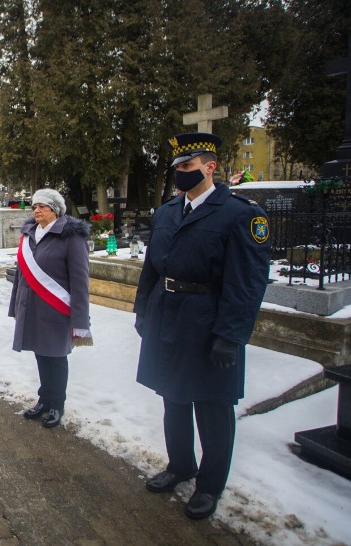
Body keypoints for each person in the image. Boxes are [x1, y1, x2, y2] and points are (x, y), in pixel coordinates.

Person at [134, 132, 270, 520]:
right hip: (167, 315)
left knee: (212, 408)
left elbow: (246, 283)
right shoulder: (167, 212)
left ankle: (210, 485)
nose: (180, 173)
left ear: (210, 168)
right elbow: (152, 269)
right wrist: (143, 310)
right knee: (172, 397)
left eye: (188, 166)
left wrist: (230, 336)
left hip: (208, 321)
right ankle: (180, 465)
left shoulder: (241, 214)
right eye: (176, 167)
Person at [8, 189, 92, 428]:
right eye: (35, 206)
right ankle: (44, 400)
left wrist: (80, 320)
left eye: (42, 206)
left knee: (56, 358)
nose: (37, 210)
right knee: (40, 355)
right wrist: (16, 305)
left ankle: (57, 404)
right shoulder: (29, 234)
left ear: (55, 210)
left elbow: (80, 281)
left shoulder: (71, 238)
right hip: (32, 308)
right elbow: (21, 275)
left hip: (56, 310)